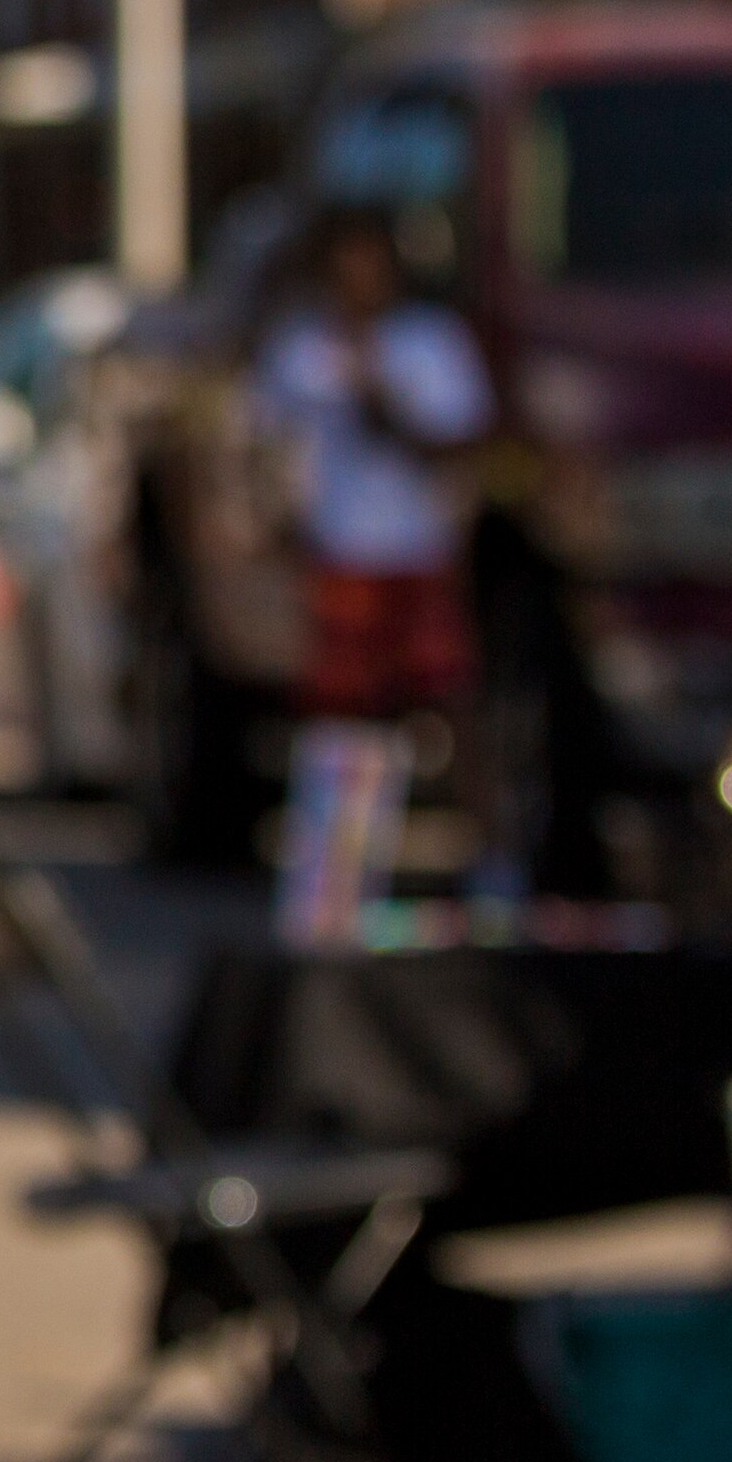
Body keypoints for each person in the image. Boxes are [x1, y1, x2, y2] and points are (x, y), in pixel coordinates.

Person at [250, 202, 492, 932]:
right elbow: (265, 444)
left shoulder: (430, 344)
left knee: (448, 707)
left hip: (415, 557)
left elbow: (462, 444)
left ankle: (491, 873)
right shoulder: (301, 350)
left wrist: (389, 410)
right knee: (340, 727)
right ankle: (331, 887)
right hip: (341, 560)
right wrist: (278, 527)